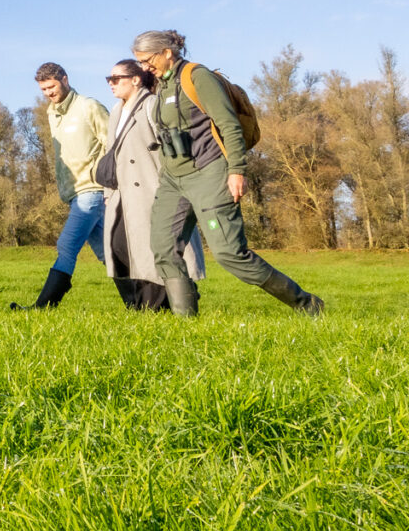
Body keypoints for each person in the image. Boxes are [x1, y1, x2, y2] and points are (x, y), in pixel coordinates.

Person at [130, 30, 326, 317]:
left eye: (147, 60)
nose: (144, 67)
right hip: (174, 179)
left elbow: (229, 125)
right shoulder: (162, 86)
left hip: (209, 173)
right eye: (140, 62)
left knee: (230, 254)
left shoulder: (197, 77)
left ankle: (306, 304)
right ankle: (186, 323)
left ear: (166, 52)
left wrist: (236, 170)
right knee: (163, 248)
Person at [98, 58, 204, 311]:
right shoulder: (115, 111)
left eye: (115, 79)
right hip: (121, 193)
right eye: (108, 79)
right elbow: (111, 152)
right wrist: (107, 192)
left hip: (150, 190)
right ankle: (143, 304)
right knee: (119, 249)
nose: (110, 84)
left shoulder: (151, 105)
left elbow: (172, 146)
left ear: (135, 80)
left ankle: (158, 306)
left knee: (150, 250)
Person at [11, 62, 111, 310]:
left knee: (66, 245)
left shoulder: (89, 106)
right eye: (43, 89)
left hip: (92, 188)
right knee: (109, 254)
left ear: (65, 80)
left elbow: (114, 144)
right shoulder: (51, 112)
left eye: (51, 86)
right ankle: (143, 302)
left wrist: (111, 185)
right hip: (73, 193)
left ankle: (43, 306)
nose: (48, 93)